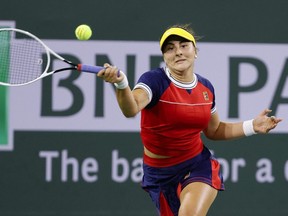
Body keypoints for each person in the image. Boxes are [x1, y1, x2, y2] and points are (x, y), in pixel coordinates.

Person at [96, 24, 282, 216]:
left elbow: (214, 130)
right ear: (164, 58)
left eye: (184, 45)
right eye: (170, 48)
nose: (178, 52)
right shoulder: (154, 80)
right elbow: (131, 108)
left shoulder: (206, 88)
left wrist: (252, 126)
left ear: (195, 52)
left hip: (197, 164)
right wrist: (121, 84)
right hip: (159, 174)